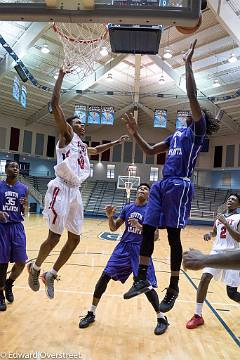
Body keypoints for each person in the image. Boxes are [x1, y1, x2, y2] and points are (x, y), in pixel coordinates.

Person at [123, 40, 220, 313]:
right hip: (161, 185)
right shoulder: (176, 134)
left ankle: (174, 287)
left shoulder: (197, 132)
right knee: (147, 228)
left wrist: (188, 66)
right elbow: (150, 150)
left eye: (195, 112)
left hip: (180, 185)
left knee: (173, 238)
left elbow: (192, 96)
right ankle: (141, 277)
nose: (191, 112)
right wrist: (134, 134)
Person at [27, 68, 129, 299]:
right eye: (79, 123)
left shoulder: (81, 146)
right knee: (55, 237)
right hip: (60, 187)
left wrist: (116, 141)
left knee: (75, 238)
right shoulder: (66, 136)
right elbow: (54, 103)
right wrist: (61, 75)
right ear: (70, 126)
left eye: (82, 124)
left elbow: (96, 149)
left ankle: (51, 274)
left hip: (76, 191)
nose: (83, 125)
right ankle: (35, 267)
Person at [79, 183, 169, 335]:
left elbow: (155, 237)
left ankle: (161, 318)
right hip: (123, 248)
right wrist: (110, 217)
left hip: (140, 251)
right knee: (104, 277)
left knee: (146, 286)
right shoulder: (127, 208)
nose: (142, 190)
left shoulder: (151, 211)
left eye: (146, 189)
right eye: (140, 188)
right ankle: (91, 313)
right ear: (136, 192)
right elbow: (114, 228)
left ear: (149, 195)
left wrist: (140, 227)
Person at [186, 194, 240, 329]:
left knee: (231, 293)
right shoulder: (219, 218)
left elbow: (239, 238)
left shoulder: (239, 218)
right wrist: (210, 235)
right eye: (229, 198)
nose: (230, 200)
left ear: (238, 205)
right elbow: (215, 232)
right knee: (205, 278)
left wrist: (226, 223)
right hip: (216, 251)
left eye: (234, 199)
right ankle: (197, 316)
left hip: (232, 254)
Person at [0, 161, 28, 311]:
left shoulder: (24, 188)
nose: (15, 169)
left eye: (17, 167)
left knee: (21, 262)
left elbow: (25, 211)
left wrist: (24, 207)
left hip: (17, 227)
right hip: (2, 228)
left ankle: (9, 284)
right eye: (12, 166)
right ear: (6, 170)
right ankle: (0, 295)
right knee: (2, 263)